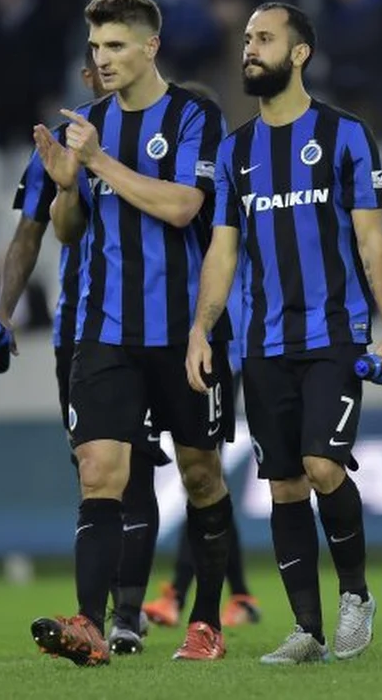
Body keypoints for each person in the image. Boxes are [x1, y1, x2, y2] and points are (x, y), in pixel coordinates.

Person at [187, 2, 382, 665]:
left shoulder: (345, 136)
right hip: (263, 344)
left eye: (264, 38)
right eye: (247, 39)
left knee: (322, 466)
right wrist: (201, 331)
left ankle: (355, 596)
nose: (249, 48)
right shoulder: (235, 152)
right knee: (284, 486)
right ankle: (307, 630)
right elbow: (222, 252)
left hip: (334, 335)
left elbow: (373, 243)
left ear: (301, 52)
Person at [29, 0, 235, 665]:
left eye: (116, 45)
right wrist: (65, 184)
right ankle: (89, 622)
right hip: (105, 328)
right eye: (95, 47)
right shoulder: (85, 125)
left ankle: (205, 619)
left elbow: (182, 206)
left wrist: (96, 164)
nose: (103, 58)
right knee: (100, 470)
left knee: (201, 475)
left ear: (150, 46)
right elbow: (69, 231)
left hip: (185, 332)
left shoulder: (194, 114)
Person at [0, 47, 168, 656]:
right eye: (92, 60)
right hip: (78, 331)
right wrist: (0, 315)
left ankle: (125, 615)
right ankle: (105, 611)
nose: (99, 72)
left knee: (132, 468)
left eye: (111, 53)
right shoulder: (61, 142)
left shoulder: (164, 130)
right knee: (93, 470)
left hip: (147, 327)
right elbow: (29, 232)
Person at [143, 79, 261, 631]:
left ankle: (183, 592)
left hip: (219, 343)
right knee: (204, 478)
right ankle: (235, 593)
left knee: (203, 475)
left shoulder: (227, 185)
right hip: (184, 339)